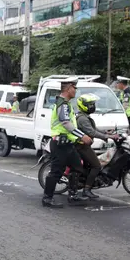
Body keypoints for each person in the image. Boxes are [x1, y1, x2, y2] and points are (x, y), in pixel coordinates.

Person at [42, 77, 93, 208]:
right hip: (60, 144)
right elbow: (65, 123)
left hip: (68, 144)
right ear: (68, 88)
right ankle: (47, 198)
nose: (76, 91)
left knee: (77, 167)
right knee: (56, 172)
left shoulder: (66, 103)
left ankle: (73, 195)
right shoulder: (62, 104)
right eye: (74, 88)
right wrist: (82, 136)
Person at [75, 93, 118, 199]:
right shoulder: (82, 119)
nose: (92, 106)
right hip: (81, 147)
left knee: (90, 166)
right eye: (90, 104)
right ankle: (87, 189)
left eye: (93, 104)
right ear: (83, 105)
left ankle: (85, 183)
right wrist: (108, 137)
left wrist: (107, 133)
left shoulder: (85, 117)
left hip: (84, 145)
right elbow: (92, 132)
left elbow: (94, 130)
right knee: (97, 166)